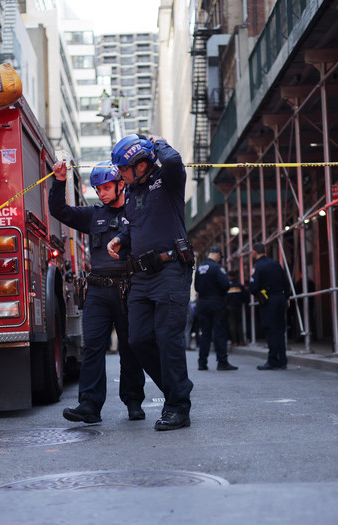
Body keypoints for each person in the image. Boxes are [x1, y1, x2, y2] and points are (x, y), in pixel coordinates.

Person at [106, 134, 194, 431]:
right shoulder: (131, 192)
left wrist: (158, 142)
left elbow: (173, 160)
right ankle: (176, 390)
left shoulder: (167, 180)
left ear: (141, 165)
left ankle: (178, 405)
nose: (119, 174)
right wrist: (120, 238)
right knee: (138, 340)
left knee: (168, 339)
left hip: (171, 269)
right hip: (141, 275)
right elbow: (135, 226)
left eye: (123, 168)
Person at [49, 160, 146, 423]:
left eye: (105, 187)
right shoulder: (93, 215)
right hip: (98, 292)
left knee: (130, 348)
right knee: (92, 346)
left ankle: (134, 401)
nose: (101, 193)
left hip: (128, 290)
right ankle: (89, 406)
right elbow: (59, 210)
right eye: (97, 189)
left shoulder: (138, 212)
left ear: (120, 184)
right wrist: (58, 181)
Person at [194, 246, 238, 371]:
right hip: (216, 302)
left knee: (205, 333)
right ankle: (222, 361)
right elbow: (225, 285)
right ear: (218, 254)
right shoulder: (217, 268)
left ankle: (202, 362)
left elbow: (197, 287)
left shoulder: (200, 268)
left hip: (202, 303)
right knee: (219, 332)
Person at [249, 242, 291, 370]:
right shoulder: (275, 263)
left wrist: (258, 293)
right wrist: (286, 298)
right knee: (280, 330)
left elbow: (253, 287)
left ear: (254, 252)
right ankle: (282, 360)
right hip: (280, 298)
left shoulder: (258, 266)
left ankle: (273, 360)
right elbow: (286, 282)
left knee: (270, 329)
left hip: (268, 301)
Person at [226, 270, 249, 346]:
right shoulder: (239, 285)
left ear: (229, 276)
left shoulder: (227, 285)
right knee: (239, 323)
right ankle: (241, 341)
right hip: (238, 306)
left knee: (232, 324)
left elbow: (225, 297)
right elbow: (245, 295)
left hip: (230, 307)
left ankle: (234, 342)